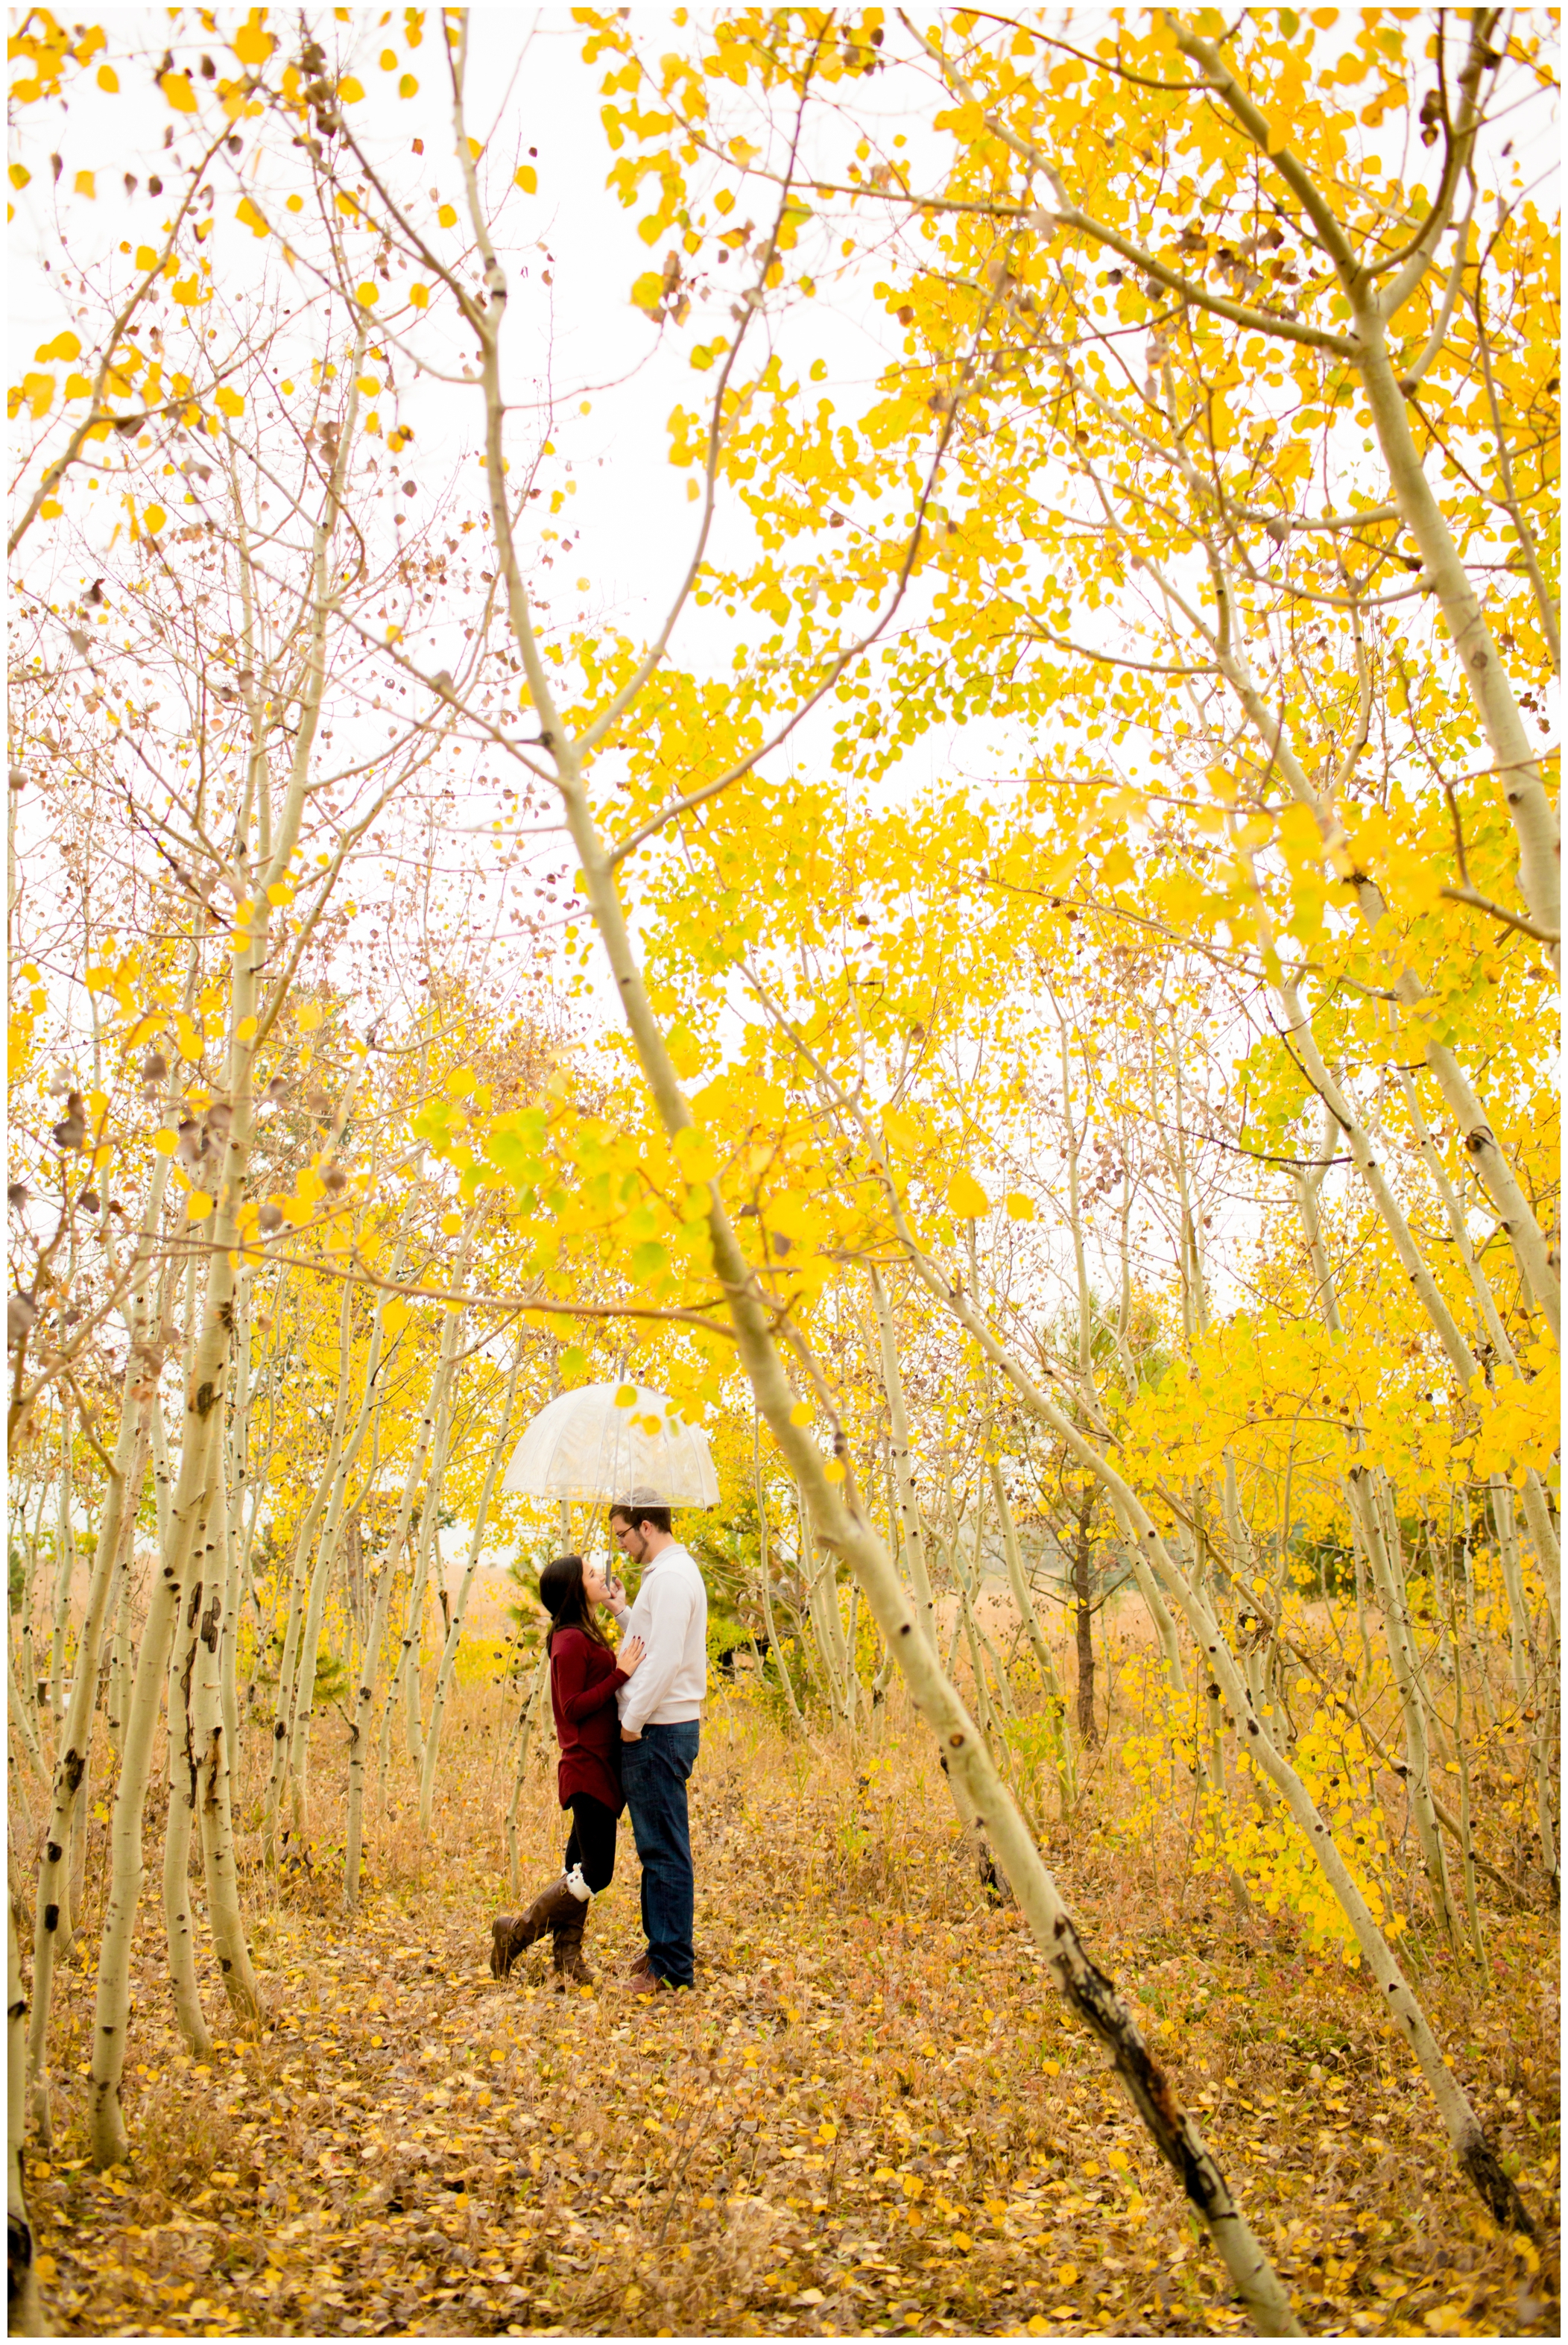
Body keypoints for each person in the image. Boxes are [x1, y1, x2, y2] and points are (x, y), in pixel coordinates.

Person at [490, 1553, 645, 1989]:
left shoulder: (584, 1631)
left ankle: (567, 1957)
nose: (601, 1576)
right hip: (586, 1764)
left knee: (577, 1863)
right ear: (576, 1589)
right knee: (598, 1872)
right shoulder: (569, 1641)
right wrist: (619, 1674)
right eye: (592, 1574)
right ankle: (516, 1933)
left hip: (599, 1764)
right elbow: (571, 1707)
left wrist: (619, 1607)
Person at [607, 1500, 708, 1992]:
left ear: (647, 1526)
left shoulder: (670, 1579)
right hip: (662, 1725)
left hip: (658, 1729)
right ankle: (659, 1952)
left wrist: (631, 1722)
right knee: (656, 1847)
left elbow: (664, 1660)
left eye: (624, 1535)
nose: (620, 1545)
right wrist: (622, 1610)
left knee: (664, 1851)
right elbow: (650, 1642)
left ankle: (671, 1969)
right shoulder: (667, 1574)